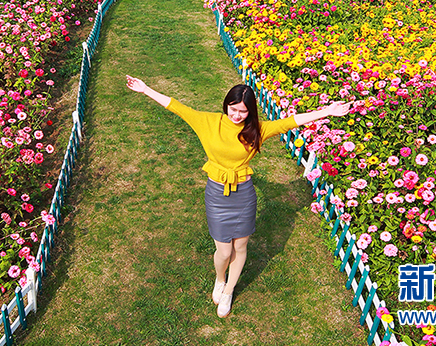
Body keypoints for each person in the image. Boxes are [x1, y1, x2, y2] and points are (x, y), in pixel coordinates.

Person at [125, 75, 352, 317]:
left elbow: (290, 122)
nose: (236, 116)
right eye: (233, 109)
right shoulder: (208, 122)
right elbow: (177, 106)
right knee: (223, 251)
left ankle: (230, 289)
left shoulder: (257, 129)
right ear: (226, 105)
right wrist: (146, 89)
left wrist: (327, 111)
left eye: (243, 111)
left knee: (240, 246)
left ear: (250, 111)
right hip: (216, 194)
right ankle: (220, 279)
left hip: (243, 195)